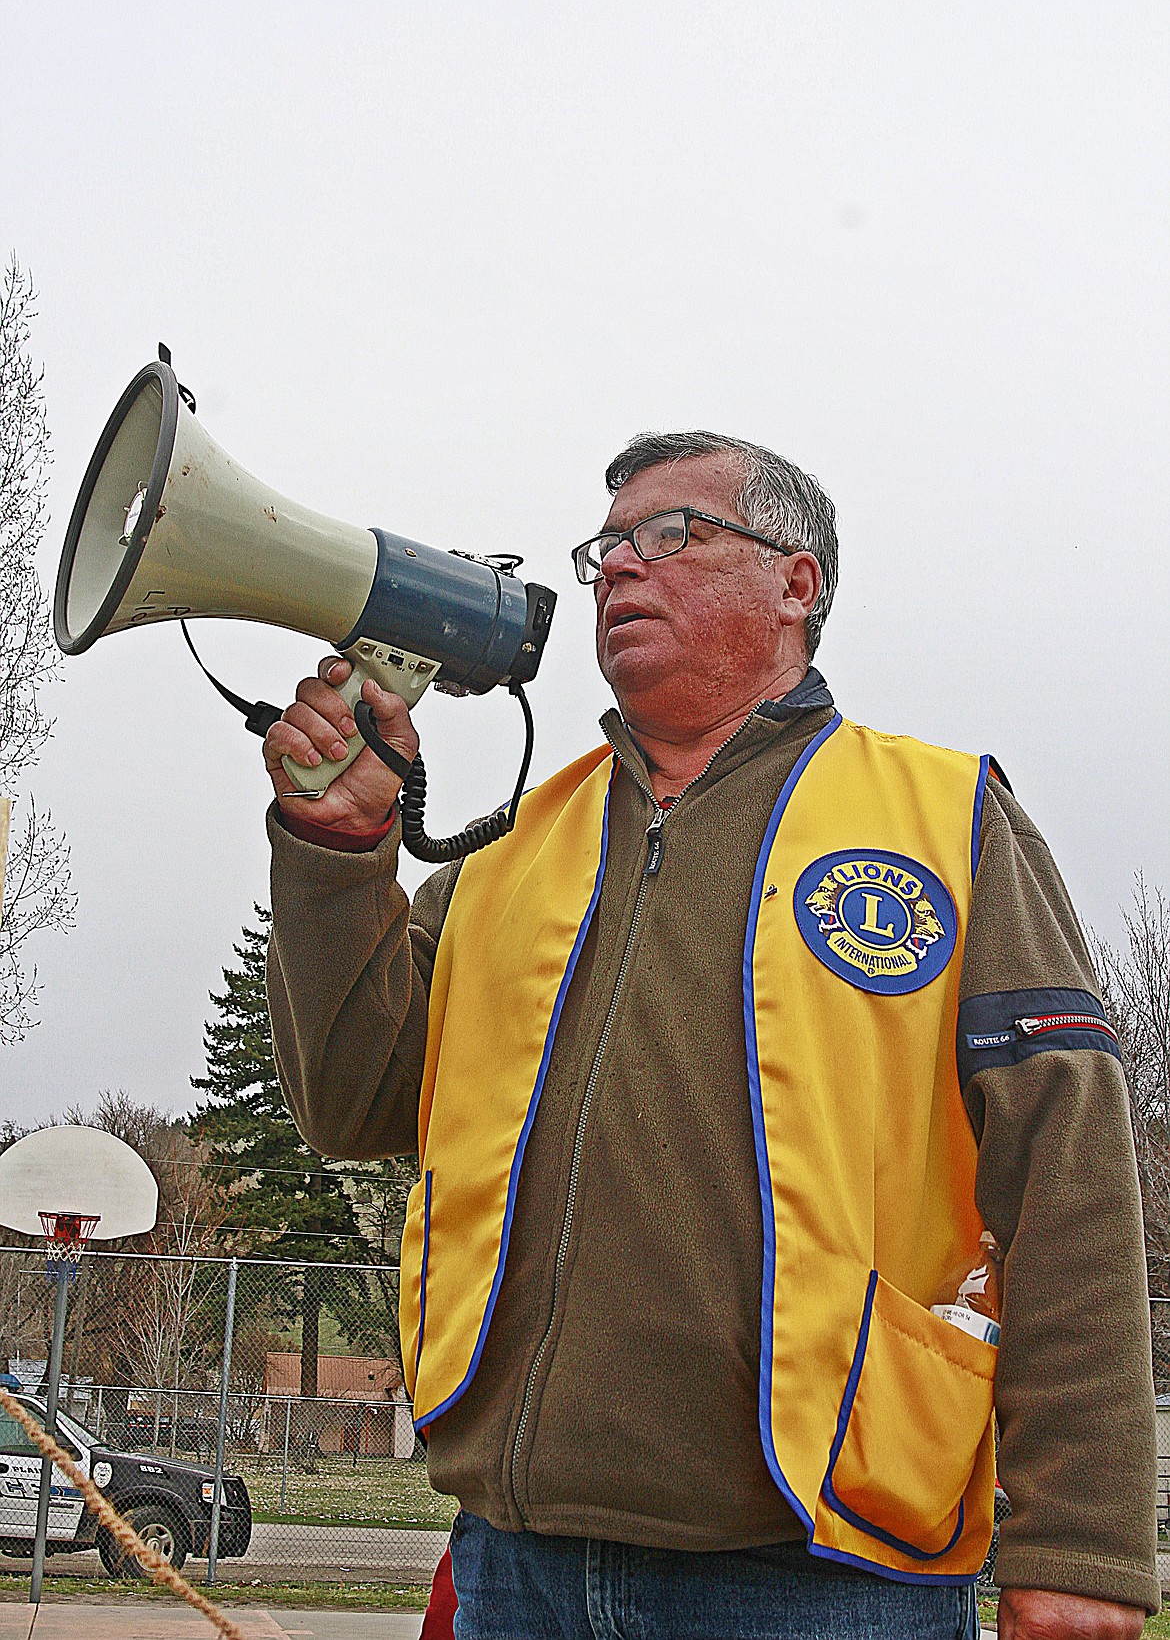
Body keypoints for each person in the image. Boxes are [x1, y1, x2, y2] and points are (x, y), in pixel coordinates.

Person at [263, 433, 1158, 1640]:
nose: (620, 568)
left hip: (833, 1569)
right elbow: (355, 1100)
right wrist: (336, 856)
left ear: (799, 585)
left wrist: (1085, 1543)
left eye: (671, 534)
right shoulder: (507, 847)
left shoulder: (948, 821)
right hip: (516, 1564)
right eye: (605, 548)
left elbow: (1071, 1180)